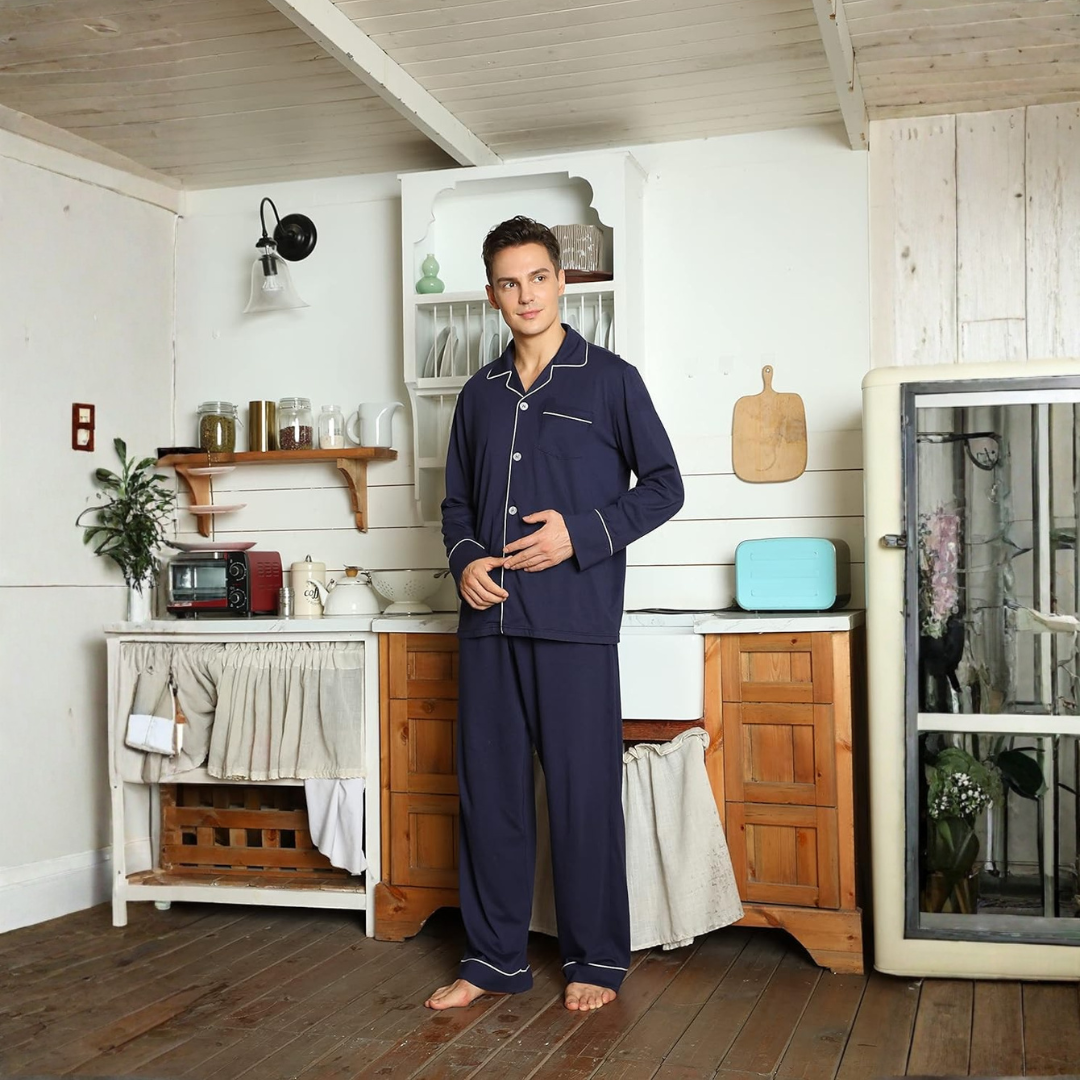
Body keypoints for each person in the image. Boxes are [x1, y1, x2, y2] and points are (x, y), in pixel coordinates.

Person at [426, 216, 683, 1013]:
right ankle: (494, 959)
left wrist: (582, 533)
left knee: (582, 795)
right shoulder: (477, 394)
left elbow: (665, 486)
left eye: (538, 277)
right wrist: (464, 559)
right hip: (489, 624)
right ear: (492, 293)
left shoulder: (611, 379)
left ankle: (596, 962)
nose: (525, 294)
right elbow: (457, 504)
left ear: (563, 281)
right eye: (508, 282)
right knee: (491, 795)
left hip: (574, 621)